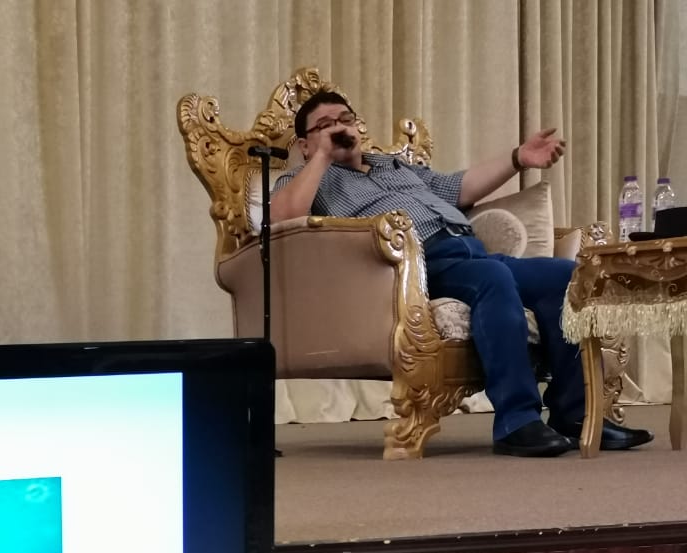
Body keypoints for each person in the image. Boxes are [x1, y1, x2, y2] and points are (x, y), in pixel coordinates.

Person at [271, 90, 652, 457]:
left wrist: (519, 157)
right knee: (492, 281)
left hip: (472, 253)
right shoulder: (309, 179)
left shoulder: (395, 167)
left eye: (345, 119)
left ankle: (576, 415)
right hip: (415, 267)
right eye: (325, 124)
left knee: (566, 277)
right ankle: (517, 421)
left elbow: (459, 188)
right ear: (304, 144)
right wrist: (322, 156)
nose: (340, 127)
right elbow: (283, 217)